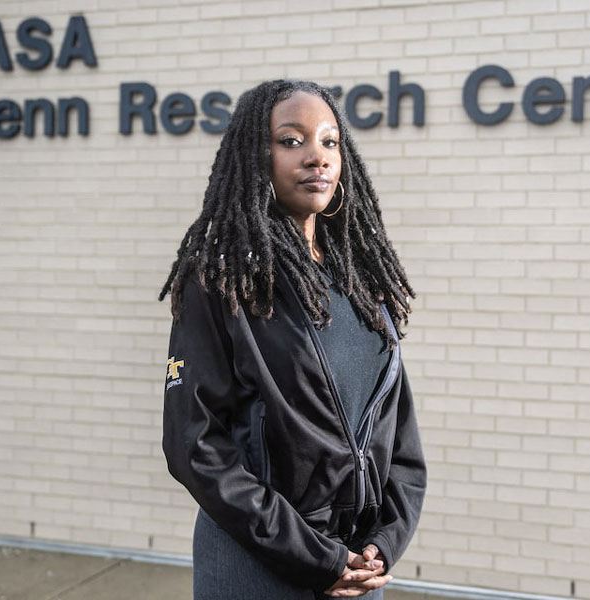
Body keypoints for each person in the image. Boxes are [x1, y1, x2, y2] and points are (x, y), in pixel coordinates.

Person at [159, 79, 427, 599]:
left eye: (329, 142)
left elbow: (400, 433)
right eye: (291, 140)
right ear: (255, 156)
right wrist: (312, 557)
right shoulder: (223, 281)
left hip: (352, 565)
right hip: (258, 561)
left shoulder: (359, 278)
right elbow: (194, 444)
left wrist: (384, 541)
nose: (317, 158)